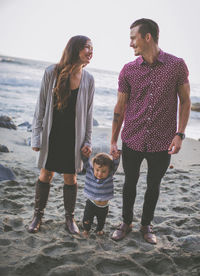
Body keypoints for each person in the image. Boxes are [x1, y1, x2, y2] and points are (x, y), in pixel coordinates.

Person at [110, 18, 191, 244]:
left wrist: (180, 134)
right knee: (129, 183)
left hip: (163, 140)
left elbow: (185, 102)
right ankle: (126, 222)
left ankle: (146, 226)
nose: (130, 44)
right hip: (133, 137)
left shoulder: (176, 65)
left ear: (147, 37)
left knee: (153, 185)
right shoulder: (128, 70)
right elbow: (120, 107)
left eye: (133, 38)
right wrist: (113, 140)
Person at [29, 35, 95, 235]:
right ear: (75, 49)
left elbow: (89, 114)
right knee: (46, 174)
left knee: (70, 177)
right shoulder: (52, 72)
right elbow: (40, 106)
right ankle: (37, 216)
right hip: (52, 133)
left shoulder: (89, 79)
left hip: (74, 136)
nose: (91, 52)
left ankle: (69, 218)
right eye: (87, 48)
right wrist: (36, 136)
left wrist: (88, 141)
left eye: (92, 48)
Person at [82, 152, 120, 236]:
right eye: (97, 170)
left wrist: (116, 157)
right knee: (87, 219)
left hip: (103, 206)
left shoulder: (110, 175)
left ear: (109, 170)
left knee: (101, 220)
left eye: (103, 171)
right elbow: (85, 161)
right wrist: (85, 154)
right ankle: (86, 230)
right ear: (93, 168)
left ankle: (99, 229)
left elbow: (115, 164)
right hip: (91, 203)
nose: (99, 173)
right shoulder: (90, 172)